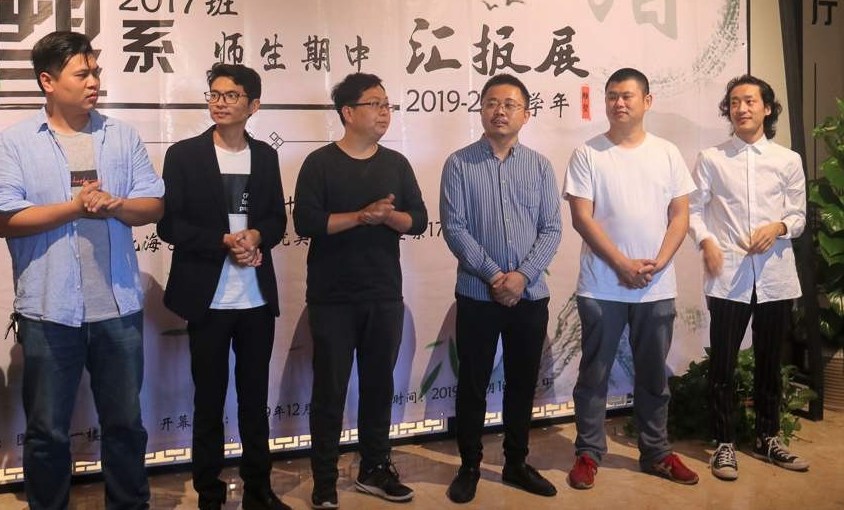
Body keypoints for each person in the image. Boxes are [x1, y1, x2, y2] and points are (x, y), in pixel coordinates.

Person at [0, 31, 164, 509]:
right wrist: (75, 207)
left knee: (125, 425)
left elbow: (153, 205)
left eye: (96, 72)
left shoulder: (121, 136)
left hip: (118, 308)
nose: (93, 82)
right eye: (82, 73)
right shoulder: (15, 143)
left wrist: (117, 205)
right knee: (47, 432)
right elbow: (3, 219)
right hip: (49, 310)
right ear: (48, 81)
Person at [157, 63, 288, 510]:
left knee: (254, 401)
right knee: (208, 401)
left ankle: (259, 490)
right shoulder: (184, 155)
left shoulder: (265, 156)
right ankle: (209, 494)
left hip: (255, 300)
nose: (220, 102)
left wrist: (257, 236)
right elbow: (170, 225)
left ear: (253, 105)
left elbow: (276, 218)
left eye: (231, 95)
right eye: (214, 94)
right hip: (207, 299)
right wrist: (222, 241)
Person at [293, 73, 427, 508]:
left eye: (387, 104)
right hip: (332, 298)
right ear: (348, 113)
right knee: (329, 392)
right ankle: (325, 479)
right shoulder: (319, 163)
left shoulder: (396, 164)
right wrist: (360, 216)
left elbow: (418, 220)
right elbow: (307, 222)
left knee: (378, 387)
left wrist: (388, 218)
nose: (385, 112)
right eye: (375, 104)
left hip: (384, 295)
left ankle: (375, 468)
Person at [562, 67, 699, 489]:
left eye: (627, 95)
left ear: (647, 101)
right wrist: (622, 264)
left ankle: (656, 452)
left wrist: (659, 262)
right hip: (601, 284)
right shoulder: (588, 153)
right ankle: (588, 452)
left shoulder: (667, 153)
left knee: (654, 375)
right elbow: (582, 218)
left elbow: (680, 215)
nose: (618, 103)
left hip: (656, 286)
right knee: (594, 374)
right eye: (612, 96)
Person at [440, 74, 562, 503]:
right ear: (481, 110)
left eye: (510, 104)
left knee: (522, 382)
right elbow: (455, 228)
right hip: (478, 295)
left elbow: (552, 228)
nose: (500, 111)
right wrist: (495, 276)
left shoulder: (540, 166)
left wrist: (522, 276)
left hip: (529, 296)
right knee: (473, 382)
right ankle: (470, 466)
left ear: (526, 114)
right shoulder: (459, 164)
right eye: (492, 102)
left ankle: (516, 463)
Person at [689, 75, 809, 480]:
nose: (741, 108)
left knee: (770, 363)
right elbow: (693, 210)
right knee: (723, 364)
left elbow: (798, 215)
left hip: (776, 277)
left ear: (767, 109)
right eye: (735, 102)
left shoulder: (787, 160)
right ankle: (724, 443)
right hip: (729, 277)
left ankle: (767, 438)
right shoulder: (712, 158)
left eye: (750, 101)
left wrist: (778, 227)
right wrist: (706, 242)